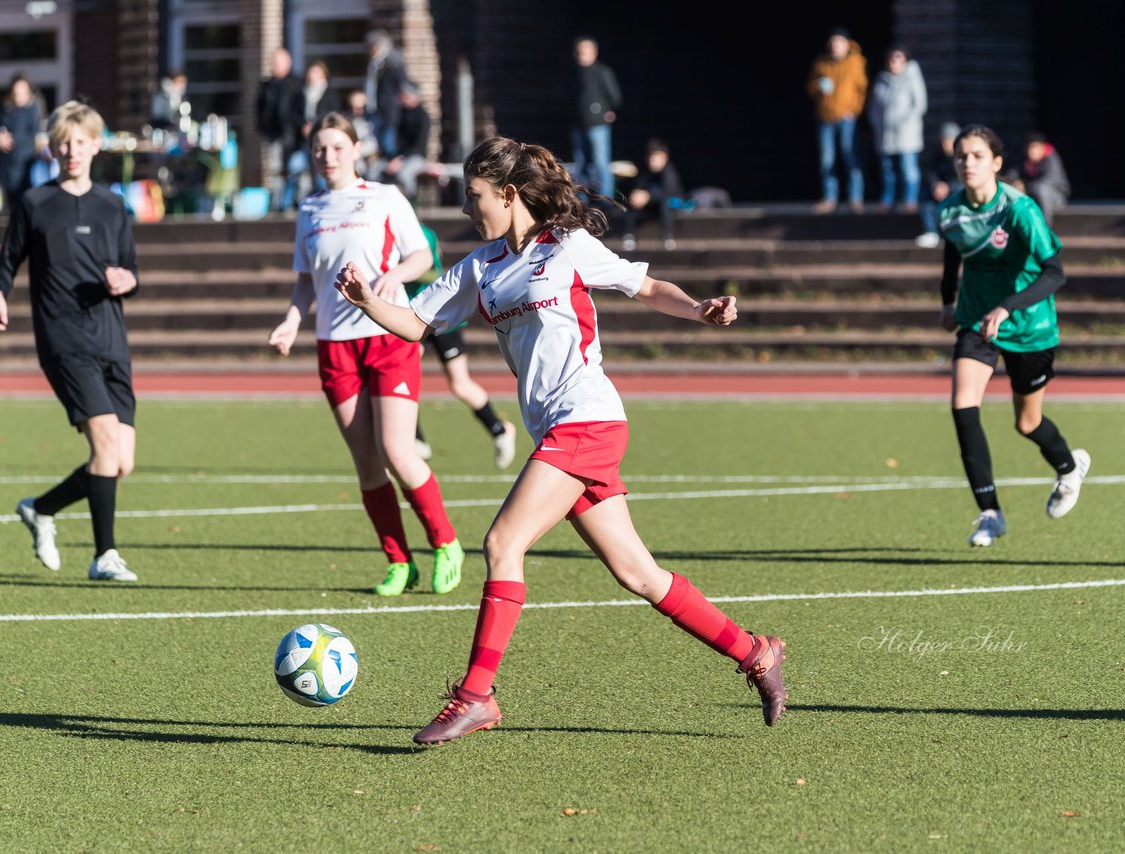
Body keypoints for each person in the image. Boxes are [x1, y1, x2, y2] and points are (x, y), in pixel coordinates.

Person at [332, 136, 788, 745]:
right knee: (638, 573)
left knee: (502, 542)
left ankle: (475, 697)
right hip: (558, 430)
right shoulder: (481, 266)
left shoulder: (568, 248)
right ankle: (756, 652)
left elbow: (644, 286)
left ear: (510, 194)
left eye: (476, 197)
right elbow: (416, 323)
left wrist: (699, 307)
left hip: (588, 418)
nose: (469, 209)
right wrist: (366, 301)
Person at [268, 112, 464, 597]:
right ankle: (400, 562)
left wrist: (394, 276)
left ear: (356, 150)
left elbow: (423, 256)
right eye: (319, 148)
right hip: (335, 347)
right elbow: (304, 282)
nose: (327, 156)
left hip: (388, 336)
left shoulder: (384, 197)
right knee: (366, 463)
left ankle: (446, 544)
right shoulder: (309, 209)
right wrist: (292, 320)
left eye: (337, 147)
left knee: (398, 450)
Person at [0, 101, 141, 582]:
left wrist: (125, 280)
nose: (71, 150)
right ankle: (105, 556)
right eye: (63, 143)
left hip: (111, 339)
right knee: (105, 445)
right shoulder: (35, 203)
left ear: (97, 145)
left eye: (80, 141)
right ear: (53, 149)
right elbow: (6, 262)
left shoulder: (113, 206)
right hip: (63, 338)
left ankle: (41, 508)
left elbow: (132, 269)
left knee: (121, 463)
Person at [937, 124, 1090, 548]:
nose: (968, 163)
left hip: (1029, 327)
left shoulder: (1020, 210)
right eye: (961, 156)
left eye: (978, 156)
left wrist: (1008, 306)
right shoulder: (950, 210)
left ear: (997, 163)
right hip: (977, 320)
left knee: (1028, 422)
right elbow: (954, 254)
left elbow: (1055, 272)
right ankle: (990, 513)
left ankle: (1068, 468)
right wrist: (948, 301)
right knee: (963, 406)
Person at [408, 223, 517, 469]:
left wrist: (395, 272)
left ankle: (499, 430)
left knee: (460, 383)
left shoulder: (421, 233)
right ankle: (416, 440)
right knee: (403, 375)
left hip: (438, 311)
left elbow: (428, 271)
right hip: (409, 316)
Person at [807, 27, 867, 213]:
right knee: (827, 159)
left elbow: (862, 89)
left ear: (846, 44)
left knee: (850, 156)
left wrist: (854, 111)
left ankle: (855, 198)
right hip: (825, 117)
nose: (834, 46)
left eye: (838, 42)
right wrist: (818, 86)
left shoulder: (856, 62)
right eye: (832, 43)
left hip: (846, 118)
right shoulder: (821, 63)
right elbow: (810, 88)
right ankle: (829, 198)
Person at [869, 44, 927, 213]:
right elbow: (874, 107)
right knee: (887, 171)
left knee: (908, 169)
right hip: (885, 134)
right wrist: (876, 124)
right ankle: (888, 200)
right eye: (891, 58)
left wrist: (905, 123)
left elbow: (920, 105)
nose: (893, 62)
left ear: (905, 60)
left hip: (906, 134)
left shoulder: (912, 78)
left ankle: (910, 200)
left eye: (898, 58)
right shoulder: (881, 79)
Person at [569, 35, 622, 200]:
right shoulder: (574, 72)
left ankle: (606, 199)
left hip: (597, 124)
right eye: (579, 51)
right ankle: (582, 199)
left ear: (594, 52)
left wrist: (607, 111)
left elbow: (615, 96)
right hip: (578, 124)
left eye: (585, 51)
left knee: (601, 162)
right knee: (581, 164)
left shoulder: (602, 72)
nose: (581, 55)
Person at [256, 48, 305, 210]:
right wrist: (263, 129)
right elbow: (260, 109)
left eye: (278, 63)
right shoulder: (268, 85)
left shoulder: (296, 84)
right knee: (276, 170)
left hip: (294, 137)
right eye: (273, 63)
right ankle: (278, 203)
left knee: (294, 170)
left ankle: (294, 201)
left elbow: (299, 110)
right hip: (274, 135)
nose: (274, 66)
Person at [621, 138, 685, 251]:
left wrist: (648, 196)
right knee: (631, 202)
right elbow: (638, 190)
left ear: (664, 158)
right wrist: (636, 196)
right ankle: (629, 235)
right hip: (650, 206)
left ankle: (667, 236)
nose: (653, 161)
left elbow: (669, 193)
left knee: (664, 203)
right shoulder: (644, 172)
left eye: (656, 157)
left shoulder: (669, 171)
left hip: (671, 204)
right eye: (651, 157)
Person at [0, 74, 44, 211]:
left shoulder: (32, 111)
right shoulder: (6, 110)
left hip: (24, 171)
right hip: (6, 170)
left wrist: (12, 140)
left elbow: (32, 138)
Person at [366, 29, 414, 162]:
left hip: (390, 113)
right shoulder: (376, 64)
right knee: (380, 145)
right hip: (379, 111)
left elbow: (403, 84)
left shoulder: (393, 61)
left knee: (389, 145)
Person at [297, 61, 342, 197]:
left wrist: (316, 126)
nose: (312, 76)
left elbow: (332, 115)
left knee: (321, 169)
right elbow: (294, 114)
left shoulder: (330, 94)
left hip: (323, 140)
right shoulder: (301, 94)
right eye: (311, 72)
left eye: (316, 72)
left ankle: (325, 195)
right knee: (298, 167)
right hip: (304, 141)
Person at [380, 85, 430, 202]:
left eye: (404, 96)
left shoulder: (422, 117)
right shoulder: (402, 113)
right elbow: (399, 142)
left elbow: (419, 145)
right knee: (377, 171)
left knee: (404, 175)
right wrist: (394, 158)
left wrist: (400, 159)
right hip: (400, 157)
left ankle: (411, 204)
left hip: (416, 156)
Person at [915, 121, 961, 248]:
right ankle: (931, 232)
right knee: (925, 197)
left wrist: (949, 187)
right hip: (939, 193)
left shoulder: (962, 158)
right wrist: (936, 186)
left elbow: (964, 180)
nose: (945, 144)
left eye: (948, 140)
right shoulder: (937, 157)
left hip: (957, 193)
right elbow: (931, 174)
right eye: (943, 141)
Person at [1022, 132, 1070, 227]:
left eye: (1035, 147)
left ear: (1043, 148)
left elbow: (1047, 182)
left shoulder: (1051, 159)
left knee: (1041, 189)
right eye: (1030, 147)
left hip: (1056, 197)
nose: (1032, 151)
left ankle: (1045, 228)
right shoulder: (1026, 161)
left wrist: (1026, 186)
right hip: (1035, 196)